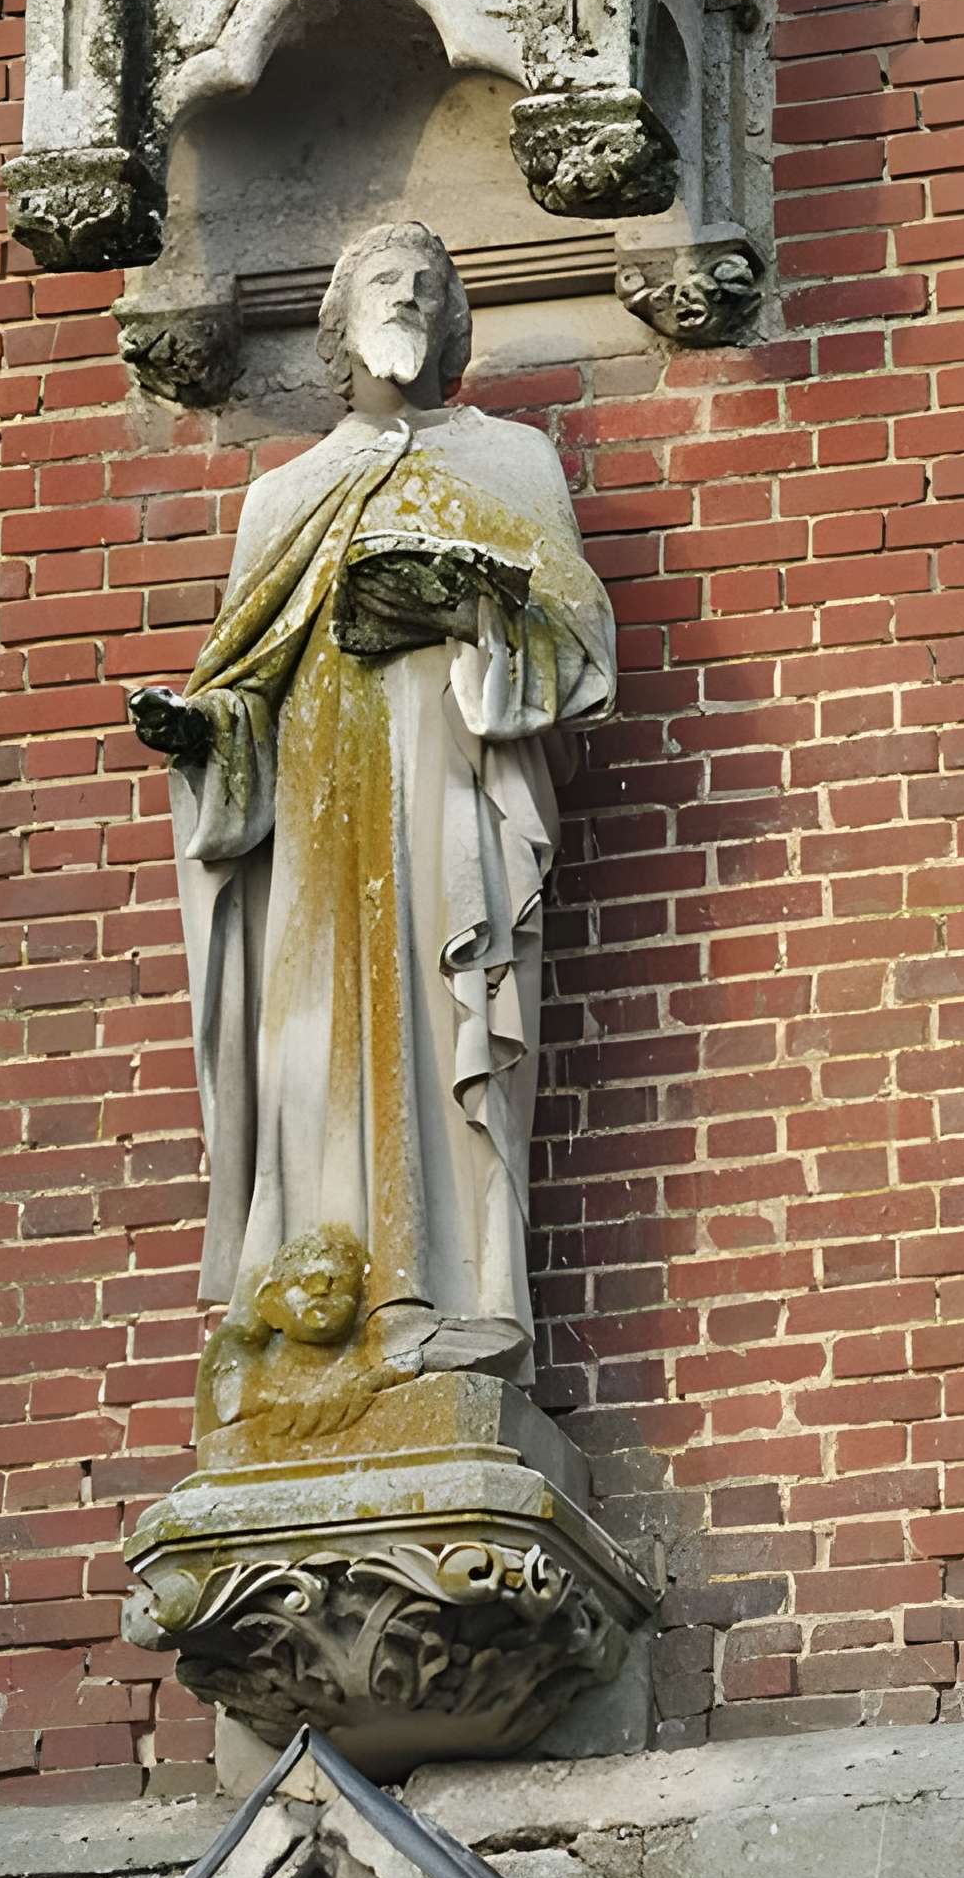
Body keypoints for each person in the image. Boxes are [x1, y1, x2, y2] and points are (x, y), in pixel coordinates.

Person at [131, 221, 616, 1387]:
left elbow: (577, 646)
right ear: (337, 322)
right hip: (312, 814)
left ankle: (456, 1296)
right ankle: (318, 1296)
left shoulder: (511, 462)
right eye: (380, 285)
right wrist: (203, 734)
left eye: (426, 286)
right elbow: (244, 685)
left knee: (446, 1029)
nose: (405, 298)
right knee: (312, 1050)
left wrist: (471, 616)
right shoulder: (284, 495)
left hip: (447, 795)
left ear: (454, 323)